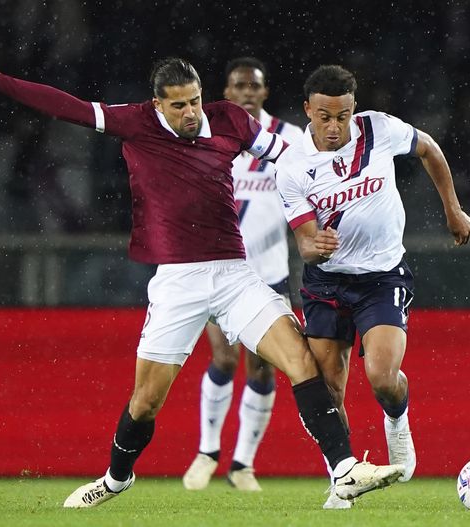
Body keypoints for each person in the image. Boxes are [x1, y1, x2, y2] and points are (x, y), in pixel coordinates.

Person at [0, 43, 405, 509]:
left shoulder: (230, 119)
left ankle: (344, 470)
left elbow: (295, 157)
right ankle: (115, 479)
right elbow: (66, 107)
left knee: (300, 360)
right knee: (146, 401)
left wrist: (351, 177)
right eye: (178, 105)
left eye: (194, 100)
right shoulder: (135, 122)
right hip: (178, 281)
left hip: (235, 276)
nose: (191, 112)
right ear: (158, 104)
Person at [275, 65, 470, 509]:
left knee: (383, 378)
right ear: (307, 110)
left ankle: (397, 422)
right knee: (328, 390)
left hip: (382, 277)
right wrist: (315, 247)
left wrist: (453, 209)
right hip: (327, 282)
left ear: (353, 109)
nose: (334, 126)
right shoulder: (291, 165)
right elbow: (304, 243)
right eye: (324, 116)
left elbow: (429, 149)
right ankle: (342, 478)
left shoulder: (379, 129)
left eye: (342, 116)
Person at [182, 57, 302, 492]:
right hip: (221, 269)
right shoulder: (208, 136)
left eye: (255, 86)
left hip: (270, 274)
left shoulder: (289, 139)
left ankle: (242, 465)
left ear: (265, 92)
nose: (247, 92)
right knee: (223, 358)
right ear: (227, 92)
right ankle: (207, 452)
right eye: (239, 86)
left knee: (263, 368)